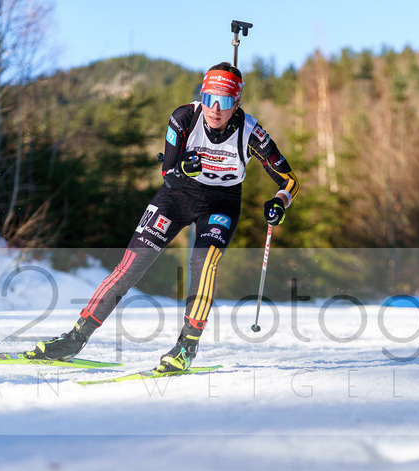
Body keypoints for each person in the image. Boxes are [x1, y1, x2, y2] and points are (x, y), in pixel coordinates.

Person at [27, 62, 299, 372]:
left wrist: (280, 202)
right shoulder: (183, 118)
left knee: (204, 264)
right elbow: (168, 172)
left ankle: (186, 347)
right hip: (176, 197)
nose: (214, 109)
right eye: (209, 98)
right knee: (130, 267)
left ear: (236, 103)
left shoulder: (251, 133)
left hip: (220, 204)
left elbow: (289, 180)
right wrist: (182, 167)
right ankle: (74, 339)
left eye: (224, 101)